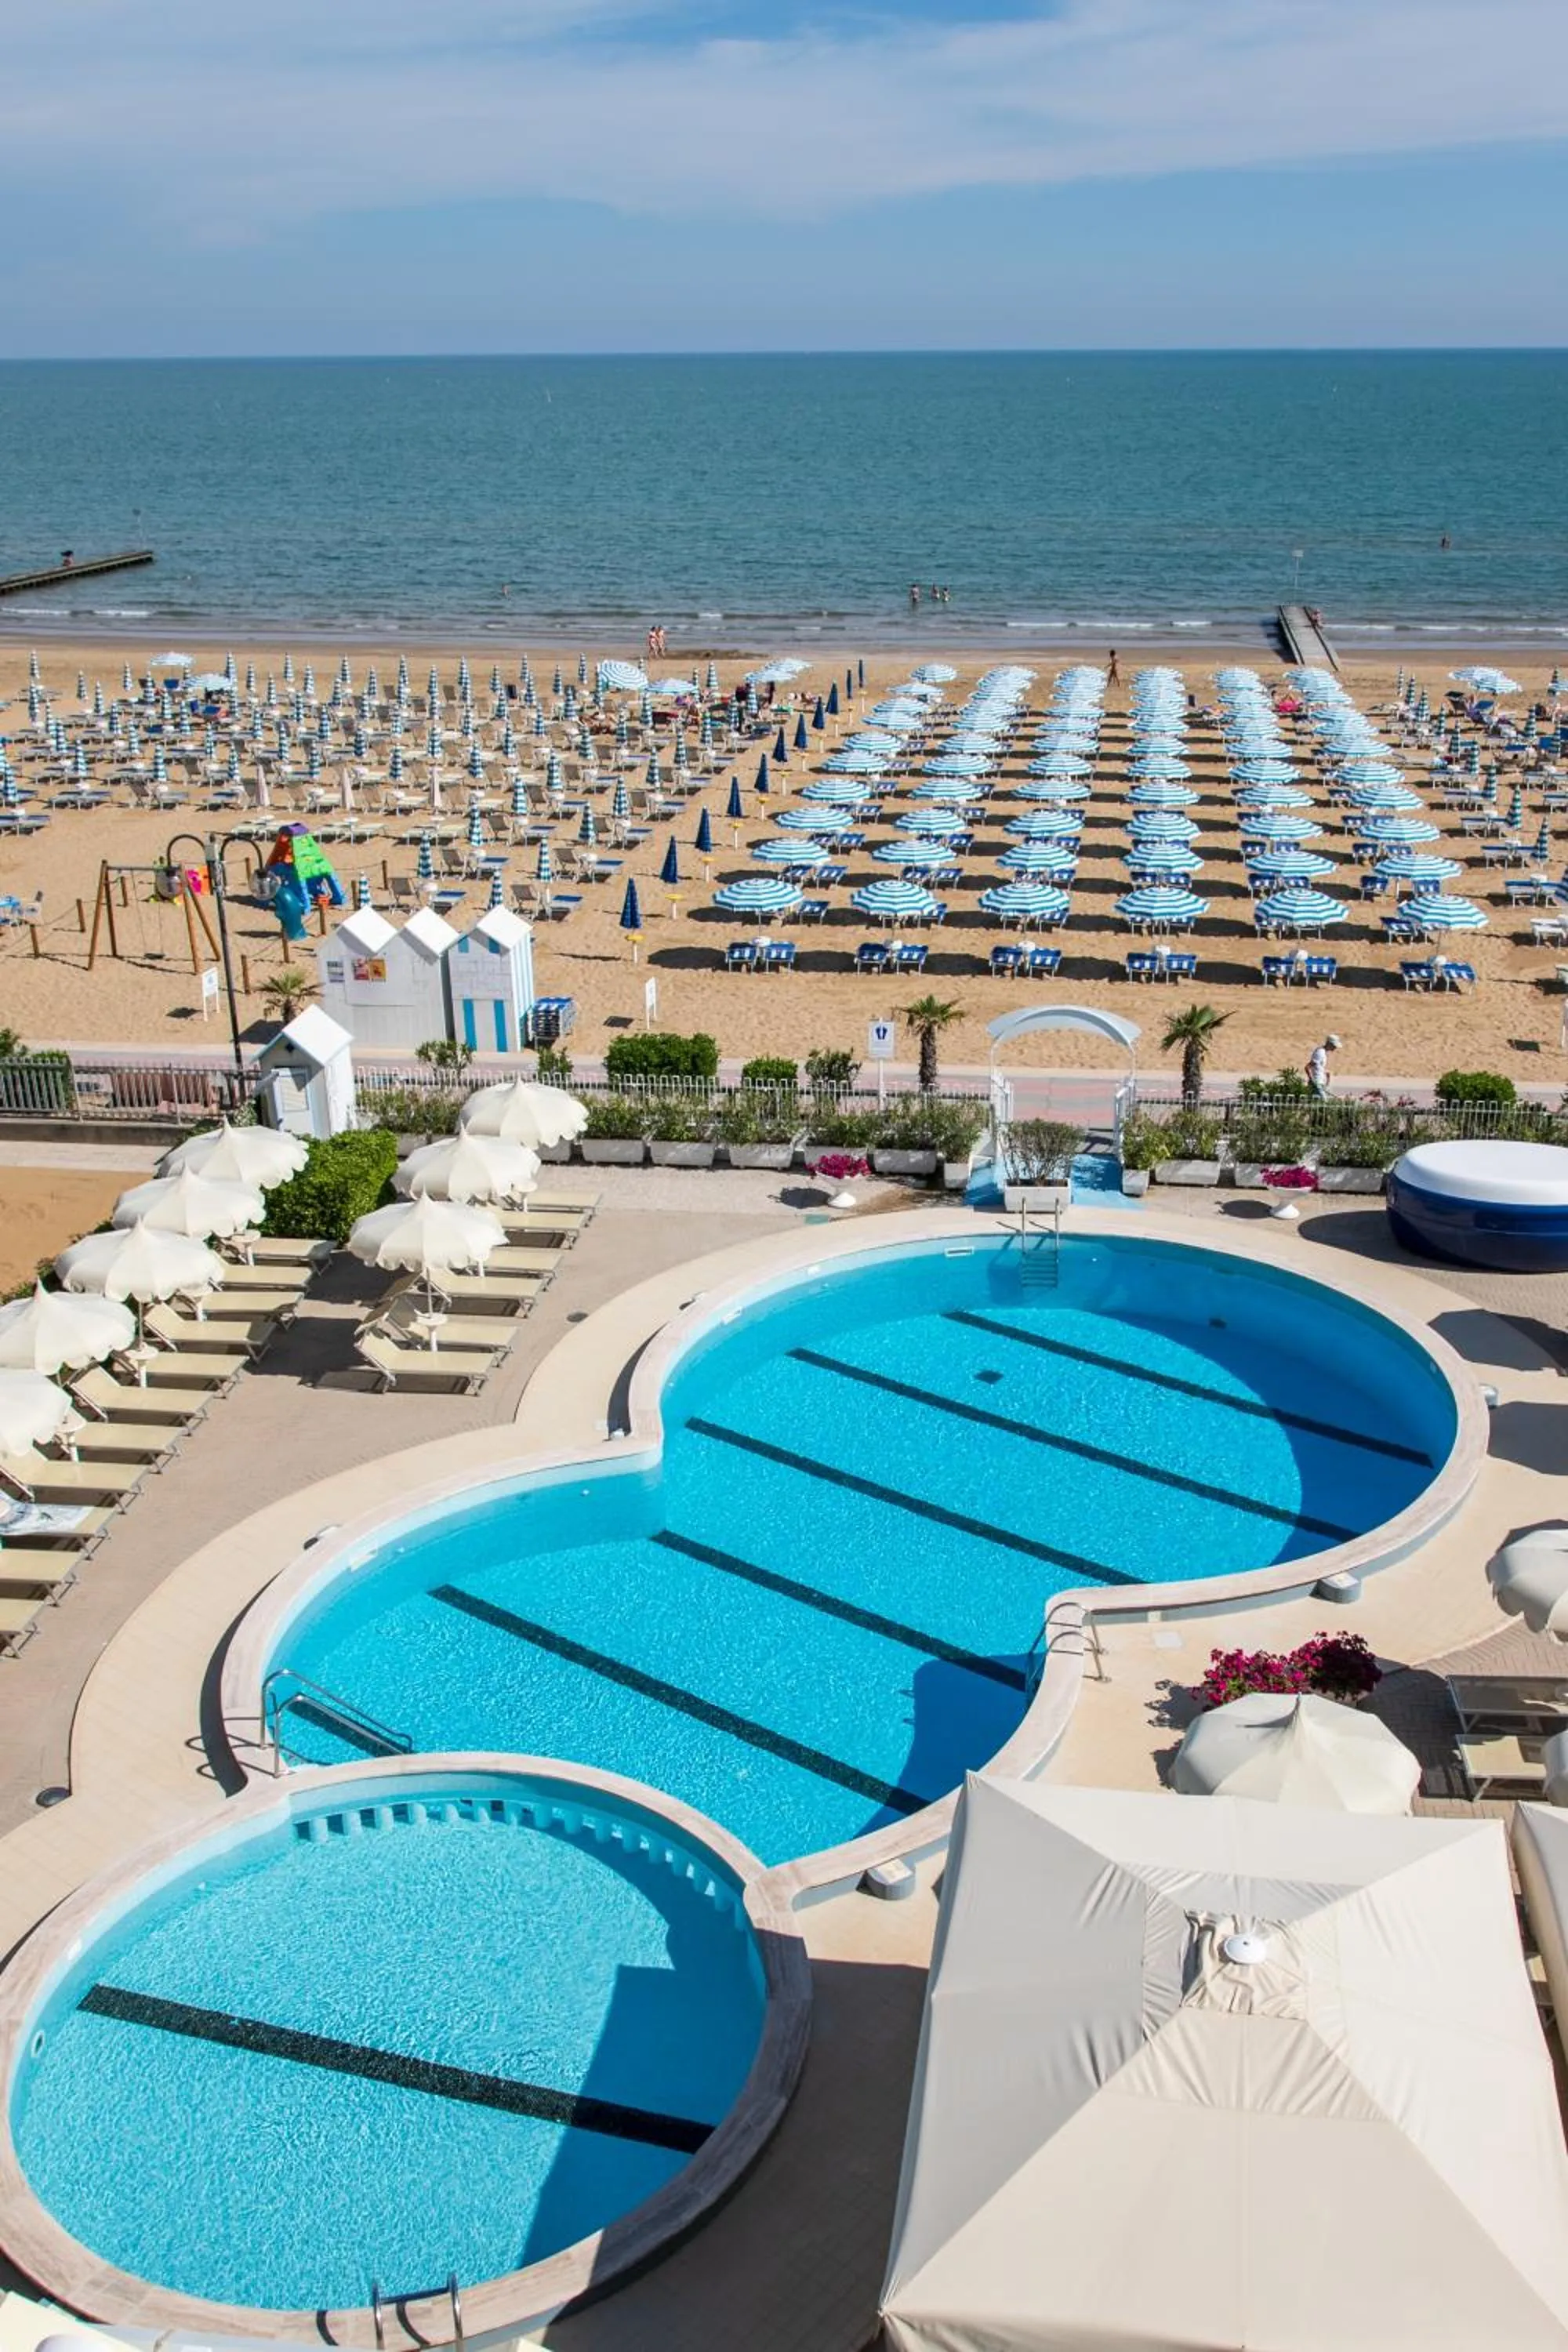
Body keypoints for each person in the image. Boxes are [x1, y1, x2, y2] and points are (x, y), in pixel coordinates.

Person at [1306, 1033, 1341, 1098]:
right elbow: (1308, 1067)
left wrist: (1325, 1072)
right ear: (1329, 1044)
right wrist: (1312, 1080)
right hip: (1317, 1083)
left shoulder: (1323, 1053)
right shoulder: (1320, 1053)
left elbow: (1318, 1067)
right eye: (1334, 1046)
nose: (1335, 1048)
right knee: (1324, 1102)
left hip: (1320, 1082)